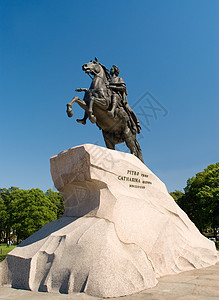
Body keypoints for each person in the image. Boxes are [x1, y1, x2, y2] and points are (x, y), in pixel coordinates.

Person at [108, 65, 141, 134]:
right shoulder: (107, 79)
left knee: (128, 109)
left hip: (118, 98)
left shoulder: (119, 79)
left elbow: (123, 88)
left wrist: (112, 86)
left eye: (112, 69)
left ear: (115, 71)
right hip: (108, 96)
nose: (110, 70)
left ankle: (136, 123)